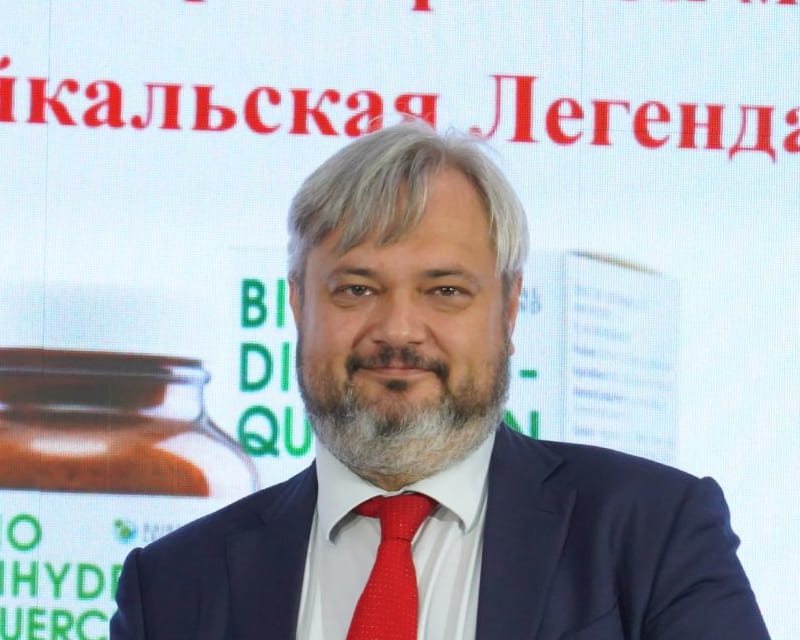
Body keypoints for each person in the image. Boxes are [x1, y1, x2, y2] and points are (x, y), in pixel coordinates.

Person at [110, 122, 770, 639]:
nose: (398, 329)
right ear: (297, 306)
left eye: (446, 290)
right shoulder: (171, 585)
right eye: (357, 288)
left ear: (508, 310)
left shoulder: (653, 532)